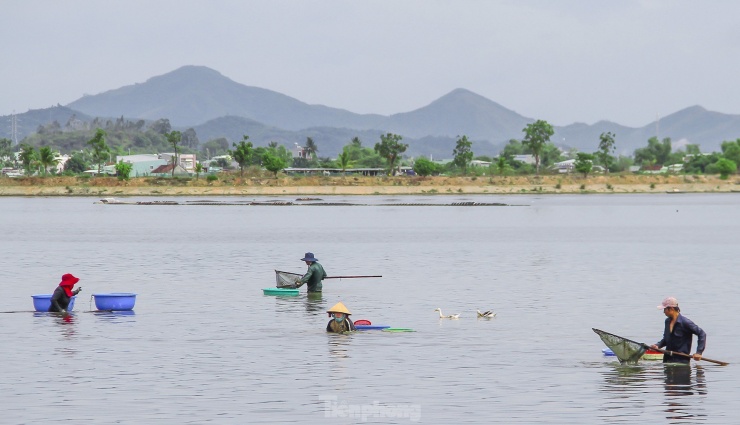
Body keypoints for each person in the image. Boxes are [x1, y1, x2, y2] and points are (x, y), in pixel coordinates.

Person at [650, 296, 706, 364]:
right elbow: (666, 339)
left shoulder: (685, 322)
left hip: (681, 362)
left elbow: (702, 334)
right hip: (667, 360)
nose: (664, 312)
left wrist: (699, 352)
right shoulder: (667, 321)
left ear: (671, 309)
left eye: (665, 309)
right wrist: (658, 345)